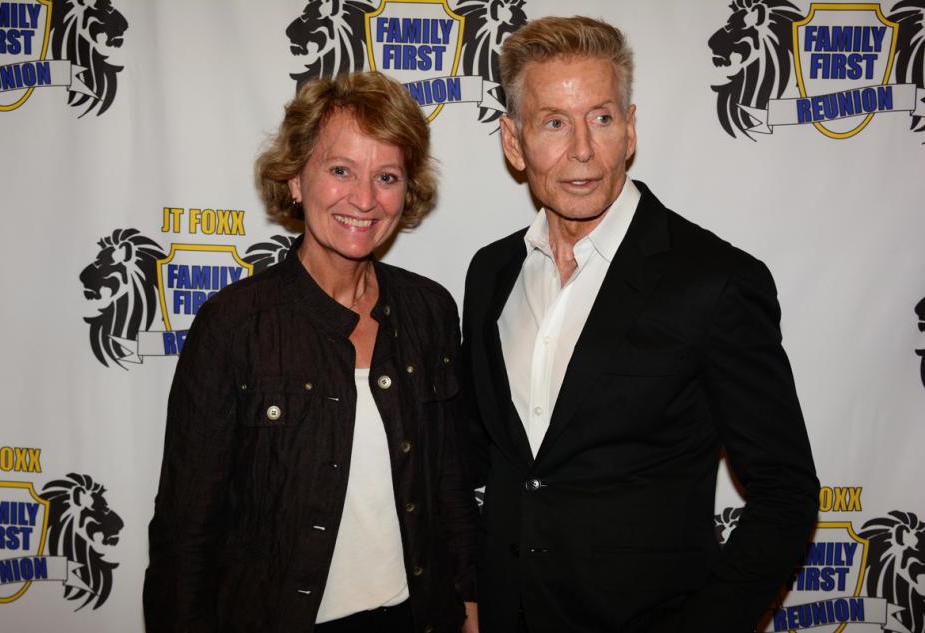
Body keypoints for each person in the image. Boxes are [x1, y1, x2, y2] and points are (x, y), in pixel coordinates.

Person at [462, 16, 819, 633]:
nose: (582, 149)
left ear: (629, 130)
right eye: (554, 123)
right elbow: (480, 463)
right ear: (514, 143)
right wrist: (468, 598)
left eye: (601, 118)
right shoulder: (491, 273)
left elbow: (786, 493)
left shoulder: (715, 281)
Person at [143, 71, 478, 633]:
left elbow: (450, 489)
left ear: (407, 192)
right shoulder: (234, 326)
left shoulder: (430, 311)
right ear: (296, 179)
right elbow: (186, 531)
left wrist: (470, 608)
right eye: (341, 170)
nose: (364, 199)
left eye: (387, 176)